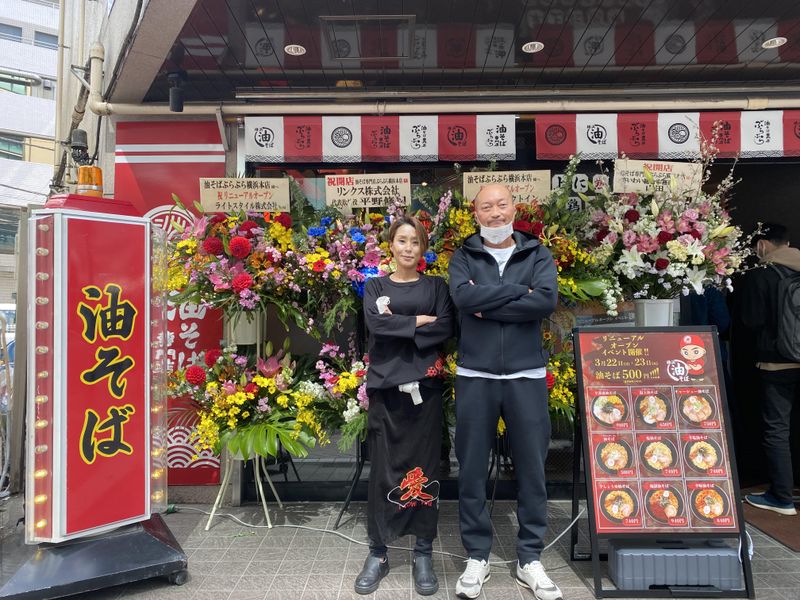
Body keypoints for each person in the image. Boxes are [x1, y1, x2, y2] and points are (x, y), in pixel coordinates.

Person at [448, 184, 561, 600]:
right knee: (472, 466)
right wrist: (519, 293)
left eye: (501, 205)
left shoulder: (537, 253)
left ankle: (529, 558)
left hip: (525, 374)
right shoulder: (464, 255)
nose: (495, 214)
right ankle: (477, 555)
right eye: (485, 207)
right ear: (474, 212)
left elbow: (545, 302)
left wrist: (488, 303)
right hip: (475, 373)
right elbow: (462, 297)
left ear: (515, 207)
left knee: (532, 467)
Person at [355, 215, 455, 596]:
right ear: (390, 245)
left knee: (426, 467)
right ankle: (378, 552)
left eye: (415, 241)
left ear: (423, 247)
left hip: (425, 390)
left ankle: (423, 551)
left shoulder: (437, 287)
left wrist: (399, 322)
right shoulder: (374, 286)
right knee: (382, 468)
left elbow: (444, 328)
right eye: (402, 240)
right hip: (385, 388)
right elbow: (376, 328)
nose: (408, 248)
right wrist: (417, 322)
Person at [740, 223, 800, 516]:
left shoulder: (762, 275)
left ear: (762, 245)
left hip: (777, 363)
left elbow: (750, 321)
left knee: (777, 428)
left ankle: (781, 497)